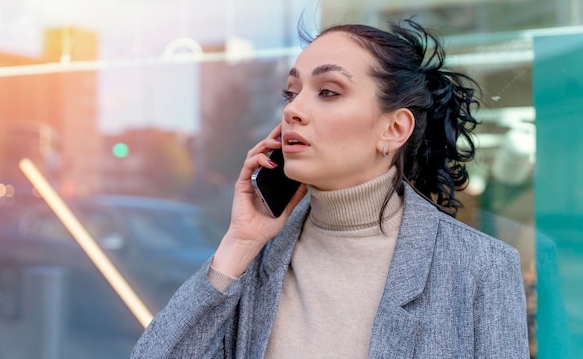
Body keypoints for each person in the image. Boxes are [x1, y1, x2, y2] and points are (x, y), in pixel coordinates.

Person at [130, 18, 530, 358]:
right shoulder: (259, 256)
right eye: (292, 92)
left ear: (394, 129)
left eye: (328, 92)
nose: (293, 110)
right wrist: (239, 243)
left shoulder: (481, 268)